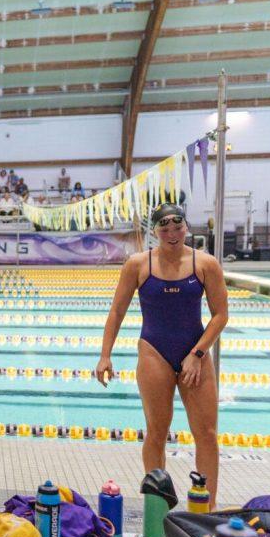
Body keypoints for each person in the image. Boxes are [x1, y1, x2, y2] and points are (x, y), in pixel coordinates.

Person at [96, 204, 228, 506]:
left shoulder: (206, 264)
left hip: (195, 352)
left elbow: (221, 315)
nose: (171, 233)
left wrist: (197, 353)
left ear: (186, 226)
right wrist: (105, 355)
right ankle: (158, 508)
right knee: (157, 431)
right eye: (164, 227)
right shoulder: (138, 264)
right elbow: (117, 311)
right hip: (154, 351)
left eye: (177, 225)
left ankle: (206, 511)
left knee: (206, 433)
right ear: (153, 230)